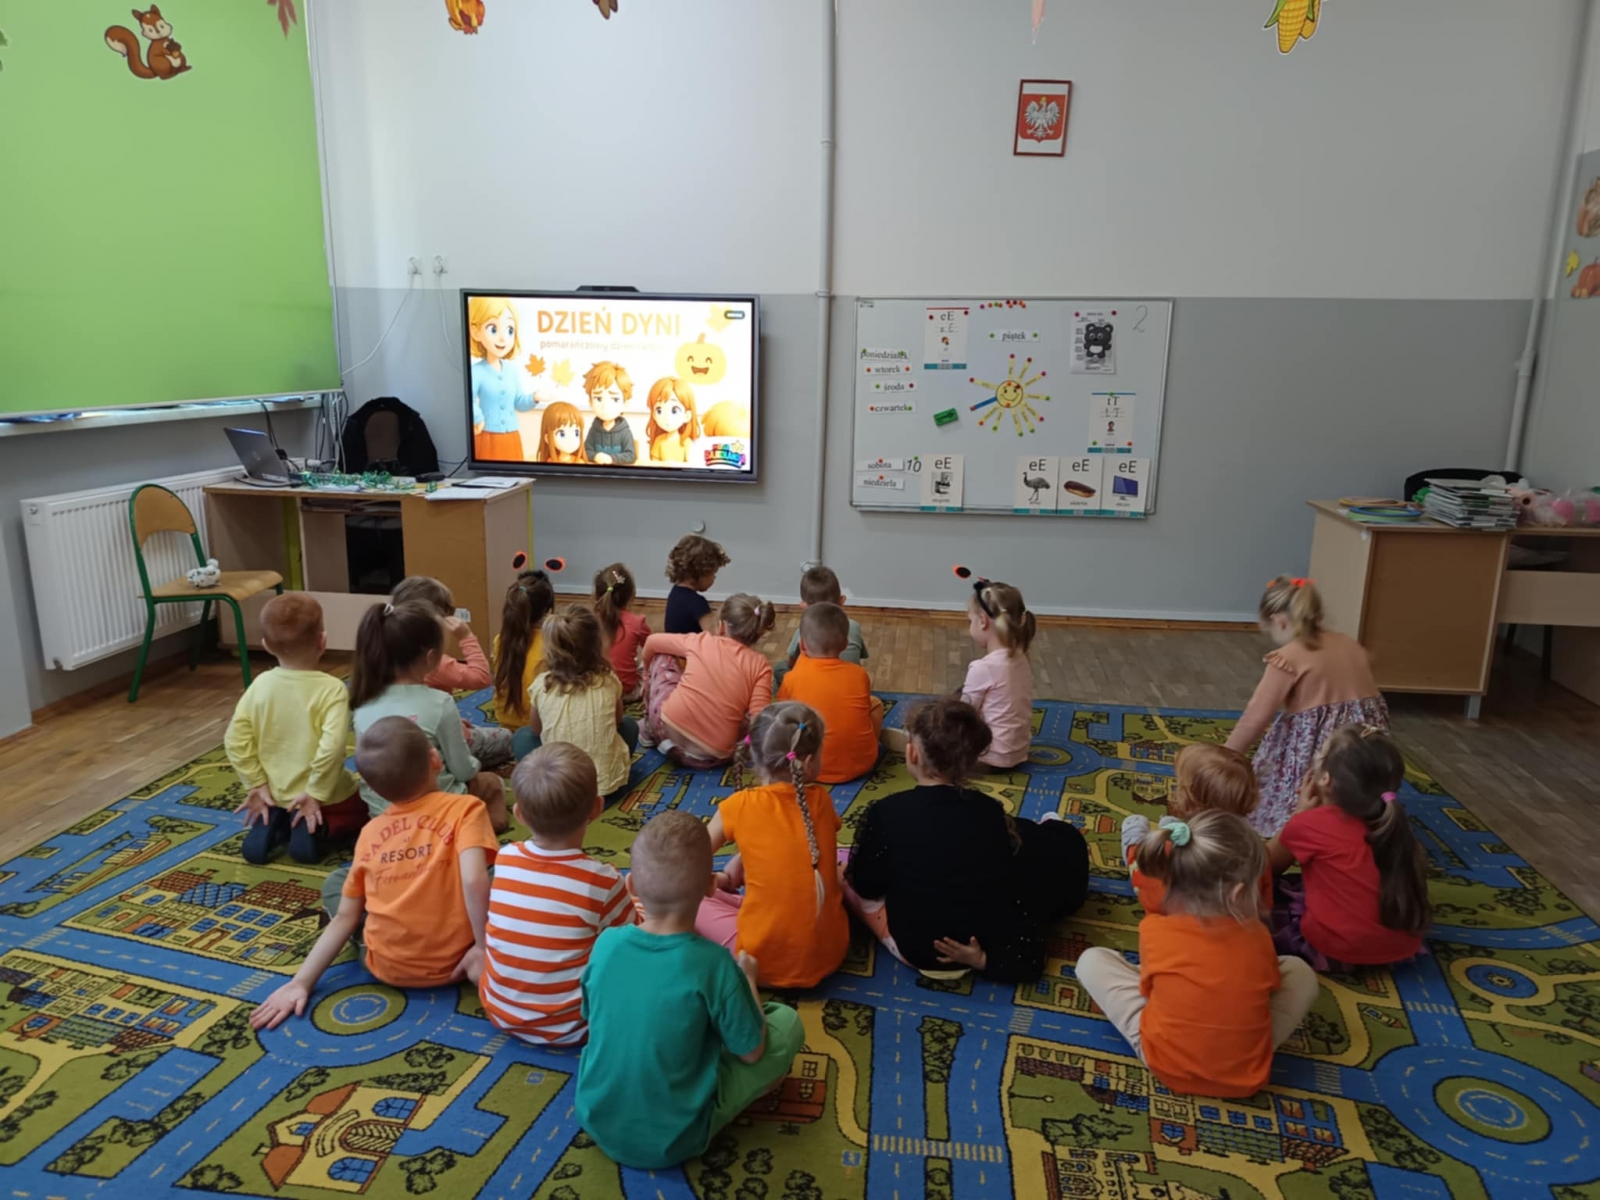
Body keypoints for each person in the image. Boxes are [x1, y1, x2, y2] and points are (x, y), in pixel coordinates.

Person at [575, 811, 805, 1169]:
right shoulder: (715, 963)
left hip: (595, 1116)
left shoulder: (606, 944)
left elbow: (591, 1016)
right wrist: (747, 980)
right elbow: (752, 1051)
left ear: (631, 885)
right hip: (677, 1137)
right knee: (786, 1024)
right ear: (712, 887)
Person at [248, 717, 499, 1030]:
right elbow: (474, 879)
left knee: (338, 882)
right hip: (461, 958)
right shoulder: (466, 808)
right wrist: (482, 948)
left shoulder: (370, 832)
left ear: (374, 788)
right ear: (435, 760)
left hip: (387, 967)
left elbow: (345, 918)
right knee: (497, 867)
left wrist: (300, 982)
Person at [1075, 811, 1321, 1098]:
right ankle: (1244, 1043)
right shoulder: (1259, 937)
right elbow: (1271, 986)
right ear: (1238, 894)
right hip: (1246, 1076)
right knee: (1300, 972)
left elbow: (1148, 991)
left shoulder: (1154, 929)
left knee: (1091, 961)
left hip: (1166, 1065)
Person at [844, 698, 1088, 981]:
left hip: (918, 946)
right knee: (1028, 841)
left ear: (911, 754)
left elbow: (866, 884)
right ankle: (1053, 827)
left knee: (843, 874)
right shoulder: (989, 811)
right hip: (981, 942)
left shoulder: (886, 811)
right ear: (969, 761)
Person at [479, 744, 633, 1045]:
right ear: (597, 808)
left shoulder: (504, 859)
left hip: (500, 1011)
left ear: (519, 814)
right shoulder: (602, 881)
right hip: (573, 1026)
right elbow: (632, 938)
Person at [695, 702, 850, 988]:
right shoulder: (821, 801)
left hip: (758, 961)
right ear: (808, 762)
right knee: (843, 856)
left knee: (684, 894)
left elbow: (689, 859)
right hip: (830, 953)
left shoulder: (738, 805)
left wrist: (715, 877)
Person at [1225, 575, 1388, 836]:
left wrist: (1223, 757)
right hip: (1368, 750)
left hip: (1322, 755)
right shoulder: (1350, 645)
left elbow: (1254, 720)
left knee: (1265, 790)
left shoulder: (1288, 657)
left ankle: (1308, 818)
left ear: (1280, 621)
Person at [1267, 724, 1430, 970]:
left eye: (1320, 753)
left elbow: (1266, 865)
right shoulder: (1394, 825)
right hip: (1400, 950)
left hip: (1334, 950)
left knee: (1261, 892)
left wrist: (1299, 814)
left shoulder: (1309, 824)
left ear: (1325, 779)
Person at [225, 594, 365, 864]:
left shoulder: (261, 684)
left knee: (282, 799)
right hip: (325, 795)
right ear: (323, 641)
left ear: (266, 645)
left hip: (272, 791)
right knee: (364, 805)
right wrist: (315, 793)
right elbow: (331, 749)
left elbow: (235, 739)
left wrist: (256, 783)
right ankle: (319, 828)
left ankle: (277, 816)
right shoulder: (332, 690)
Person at [350, 601, 509, 832]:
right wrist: (476, 764)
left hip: (383, 818)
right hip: (441, 813)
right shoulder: (439, 702)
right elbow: (463, 770)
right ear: (431, 656)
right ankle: (480, 832)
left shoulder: (362, 704)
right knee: (492, 783)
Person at [1120, 743, 1268, 915]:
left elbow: (1155, 893)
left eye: (1179, 785)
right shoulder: (1256, 851)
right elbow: (1264, 898)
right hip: (1234, 917)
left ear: (1188, 801)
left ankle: (1132, 848)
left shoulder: (1175, 851)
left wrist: (1135, 853)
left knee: (1143, 852)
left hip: (1172, 914)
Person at [516, 606, 640, 803]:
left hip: (557, 785)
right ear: (596, 644)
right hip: (605, 785)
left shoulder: (542, 685)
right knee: (630, 726)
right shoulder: (608, 679)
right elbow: (617, 722)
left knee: (522, 737)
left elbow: (536, 730)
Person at [391, 575, 513, 769]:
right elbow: (482, 678)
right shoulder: (433, 663)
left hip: (400, 738)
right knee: (508, 738)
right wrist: (466, 636)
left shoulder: (383, 654)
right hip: (438, 741)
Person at [640, 594, 774, 768]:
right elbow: (759, 719)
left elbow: (652, 641)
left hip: (666, 731)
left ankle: (647, 729)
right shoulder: (761, 665)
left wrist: (645, 676)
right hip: (714, 757)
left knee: (663, 655)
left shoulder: (702, 640)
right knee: (748, 715)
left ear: (722, 626)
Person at [776, 603, 883, 782]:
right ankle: (867, 744)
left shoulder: (791, 678)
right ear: (845, 644)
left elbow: (781, 719)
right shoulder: (859, 674)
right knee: (876, 703)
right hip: (863, 763)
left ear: (802, 644)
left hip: (808, 767)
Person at [958, 578, 1037, 770]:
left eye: (970, 621)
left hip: (989, 757)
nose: (970, 626)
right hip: (1018, 752)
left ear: (982, 621)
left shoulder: (982, 668)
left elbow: (963, 716)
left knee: (941, 716)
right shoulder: (1021, 656)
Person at [467, 296, 537, 462]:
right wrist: (478, 418)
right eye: (493, 329)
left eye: (510, 330)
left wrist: (535, 397)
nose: (503, 338)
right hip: (487, 436)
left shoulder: (511, 371)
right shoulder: (476, 371)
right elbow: (468, 400)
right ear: (475, 332)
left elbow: (519, 402)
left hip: (511, 436)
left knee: (516, 475)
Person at [491, 568, 556, 735]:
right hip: (538, 727)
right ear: (549, 611)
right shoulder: (552, 645)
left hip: (505, 723)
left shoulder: (500, 640)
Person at [782, 564, 868, 672]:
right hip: (849, 677)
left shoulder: (802, 632)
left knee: (780, 667)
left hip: (813, 679)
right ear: (842, 600)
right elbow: (859, 656)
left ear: (804, 606)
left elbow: (791, 663)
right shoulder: (854, 626)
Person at [594, 562, 649, 701]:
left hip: (596, 690)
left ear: (596, 596)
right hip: (626, 692)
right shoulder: (637, 623)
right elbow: (653, 649)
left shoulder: (589, 622)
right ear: (632, 595)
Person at [663, 534, 730, 635]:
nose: (714, 577)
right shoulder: (697, 603)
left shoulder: (674, 593)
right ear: (699, 573)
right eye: (712, 573)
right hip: (690, 645)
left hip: (673, 644)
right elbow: (713, 634)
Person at [582, 361, 637, 465]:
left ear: (625, 404)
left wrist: (612, 459)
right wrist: (595, 456)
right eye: (598, 398)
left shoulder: (624, 431)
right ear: (590, 402)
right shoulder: (594, 429)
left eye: (615, 399)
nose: (605, 406)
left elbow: (631, 456)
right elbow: (585, 451)